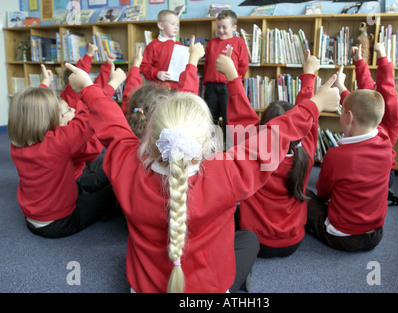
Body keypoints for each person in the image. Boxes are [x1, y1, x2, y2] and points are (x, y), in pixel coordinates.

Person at [66, 48, 339, 292]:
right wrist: (314, 104)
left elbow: (113, 126)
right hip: (211, 289)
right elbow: (272, 138)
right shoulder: (225, 174)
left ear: (149, 136)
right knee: (247, 241)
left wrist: (89, 88)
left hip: (144, 286)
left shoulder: (126, 166)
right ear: (209, 142)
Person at [305, 41, 398, 252]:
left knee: (303, 195)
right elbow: (364, 107)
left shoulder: (335, 155)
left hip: (343, 236)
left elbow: (323, 193)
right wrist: (343, 88)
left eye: (343, 111)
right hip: (376, 234)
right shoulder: (385, 140)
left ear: (348, 116)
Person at [7, 65, 122, 238]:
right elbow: (90, 114)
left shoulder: (17, 144)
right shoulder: (58, 142)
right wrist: (106, 84)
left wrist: (45, 83)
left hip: (31, 219)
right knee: (114, 192)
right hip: (59, 222)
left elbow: (29, 111)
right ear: (48, 117)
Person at [227, 49, 321, 258]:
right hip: (293, 242)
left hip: (256, 243)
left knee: (226, 203)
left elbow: (241, 115)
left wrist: (233, 78)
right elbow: (308, 116)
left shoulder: (253, 150)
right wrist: (308, 77)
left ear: (262, 129)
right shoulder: (306, 148)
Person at [351, 42, 398, 205]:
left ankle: (380, 193)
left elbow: (387, 91)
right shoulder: (376, 108)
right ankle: (378, 192)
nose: (377, 93)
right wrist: (359, 61)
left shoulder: (395, 116)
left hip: (381, 172)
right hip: (366, 164)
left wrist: (383, 57)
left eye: (381, 91)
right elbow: (367, 89)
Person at [125, 37, 205, 138]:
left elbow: (128, 96)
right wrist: (193, 59)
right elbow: (186, 102)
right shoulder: (166, 144)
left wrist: (135, 66)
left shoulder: (124, 137)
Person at [203, 9, 249, 135]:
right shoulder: (211, 43)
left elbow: (243, 65)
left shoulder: (239, 42)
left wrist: (235, 81)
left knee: (230, 119)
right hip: (211, 87)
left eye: (224, 27)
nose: (221, 30)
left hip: (228, 87)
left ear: (234, 28)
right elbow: (207, 64)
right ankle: (211, 149)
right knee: (210, 120)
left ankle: (230, 150)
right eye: (218, 27)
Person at [140, 10, 184, 90]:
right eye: (173, 24)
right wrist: (157, 73)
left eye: (178, 25)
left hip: (177, 90)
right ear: (161, 25)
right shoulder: (153, 45)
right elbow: (144, 66)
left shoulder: (180, 46)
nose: (176, 27)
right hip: (158, 89)